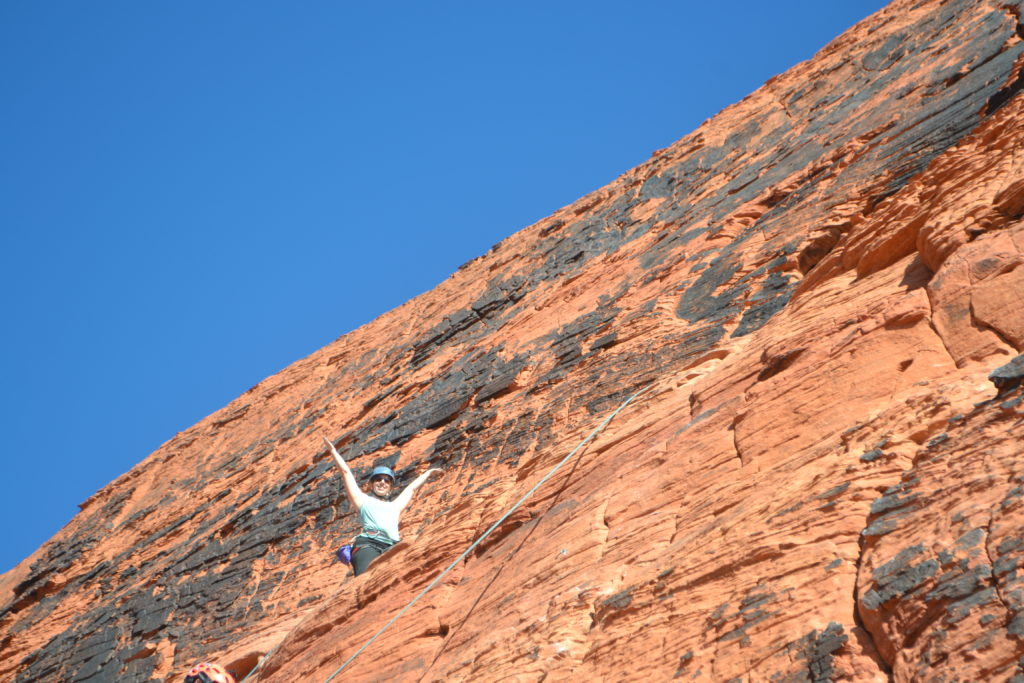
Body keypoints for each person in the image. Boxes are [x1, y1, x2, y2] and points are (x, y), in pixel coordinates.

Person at [322, 435, 441, 576]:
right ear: (371, 484)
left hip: (392, 545)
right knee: (365, 578)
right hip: (368, 544)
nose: (382, 482)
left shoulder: (395, 506)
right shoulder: (362, 500)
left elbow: (411, 489)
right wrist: (334, 451)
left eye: (387, 480)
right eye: (378, 479)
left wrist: (428, 473)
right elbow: (346, 473)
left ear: (390, 487)